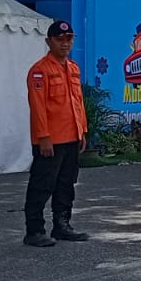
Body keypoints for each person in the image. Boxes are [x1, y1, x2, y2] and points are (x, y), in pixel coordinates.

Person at [23, 20, 90, 248]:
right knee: (42, 185)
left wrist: (82, 130)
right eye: (60, 39)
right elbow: (38, 107)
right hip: (50, 140)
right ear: (48, 41)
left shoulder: (73, 68)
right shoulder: (40, 71)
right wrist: (43, 136)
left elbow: (78, 102)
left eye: (69, 39)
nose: (65, 44)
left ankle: (62, 226)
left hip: (71, 136)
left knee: (66, 185)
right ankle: (34, 230)